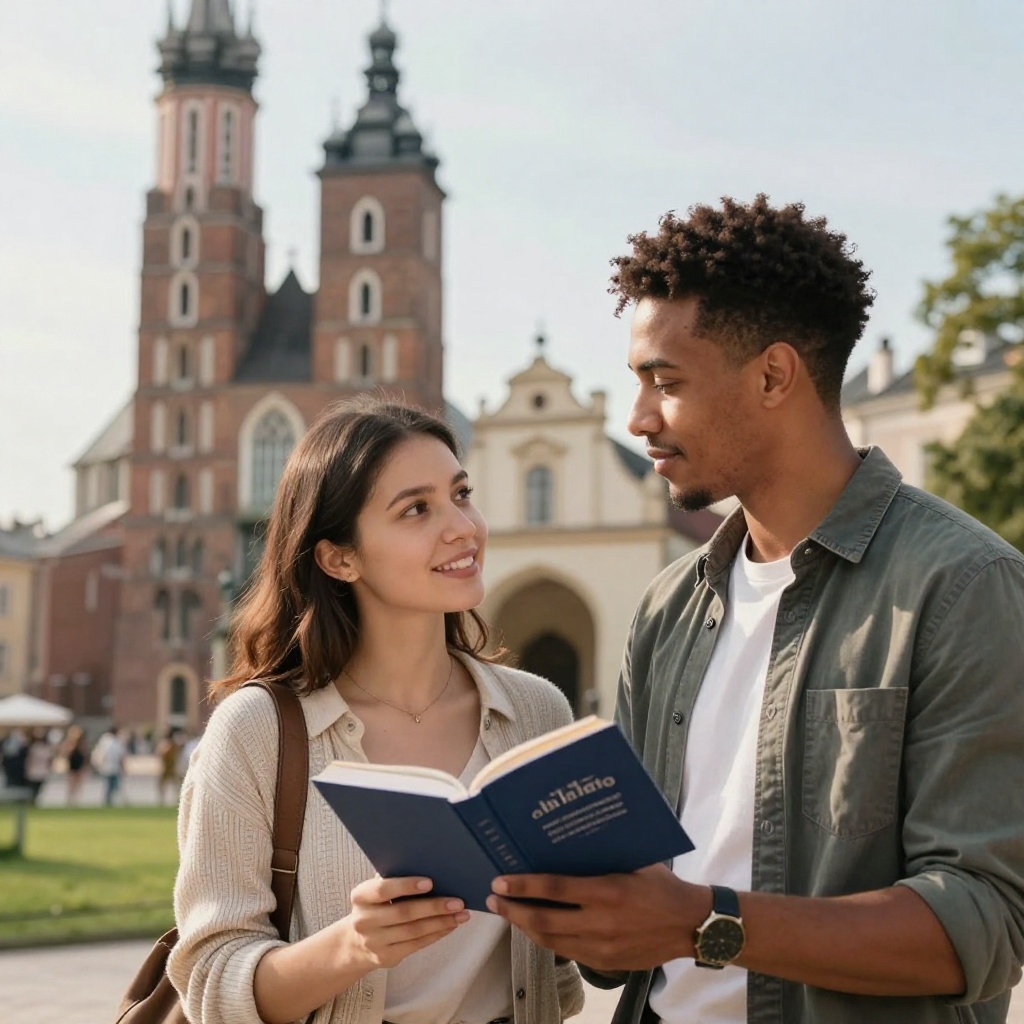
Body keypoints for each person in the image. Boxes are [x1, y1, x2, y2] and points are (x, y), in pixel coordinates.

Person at [486, 195, 1024, 1023]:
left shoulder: (964, 586)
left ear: (774, 375)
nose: (638, 419)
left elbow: (983, 924)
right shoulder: (669, 606)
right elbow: (639, 906)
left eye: (666, 383)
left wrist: (703, 923)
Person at [167, 398, 584, 1024]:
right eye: (416, 509)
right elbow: (211, 984)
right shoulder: (256, 730)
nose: (463, 527)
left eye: (461, 494)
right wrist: (352, 947)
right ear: (340, 558)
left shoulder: (536, 711)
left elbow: (560, 974)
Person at [90, 725, 126, 806]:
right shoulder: (111, 742)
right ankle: (109, 800)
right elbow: (119, 755)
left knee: (111, 784)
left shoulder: (107, 741)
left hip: (110, 767)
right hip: (110, 766)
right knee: (112, 784)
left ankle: (109, 800)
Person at [60, 725, 90, 806]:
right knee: (71, 784)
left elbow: (85, 756)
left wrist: (85, 766)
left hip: (79, 766)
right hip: (72, 766)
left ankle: (76, 800)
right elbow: (65, 754)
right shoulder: (69, 743)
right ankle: (70, 800)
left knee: (78, 785)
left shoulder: (82, 744)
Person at [155, 726, 184, 804]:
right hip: (166, 766)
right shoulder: (167, 743)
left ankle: (177, 798)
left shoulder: (171, 744)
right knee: (164, 784)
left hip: (171, 767)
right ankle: (162, 799)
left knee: (176, 783)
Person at [23, 729, 53, 805]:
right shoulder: (34, 747)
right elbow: (30, 759)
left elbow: (49, 760)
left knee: (37, 788)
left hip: (41, 771)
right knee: (33, 788)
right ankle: (32, 801)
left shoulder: (46, 748)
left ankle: (34, 800)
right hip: (35, 770)